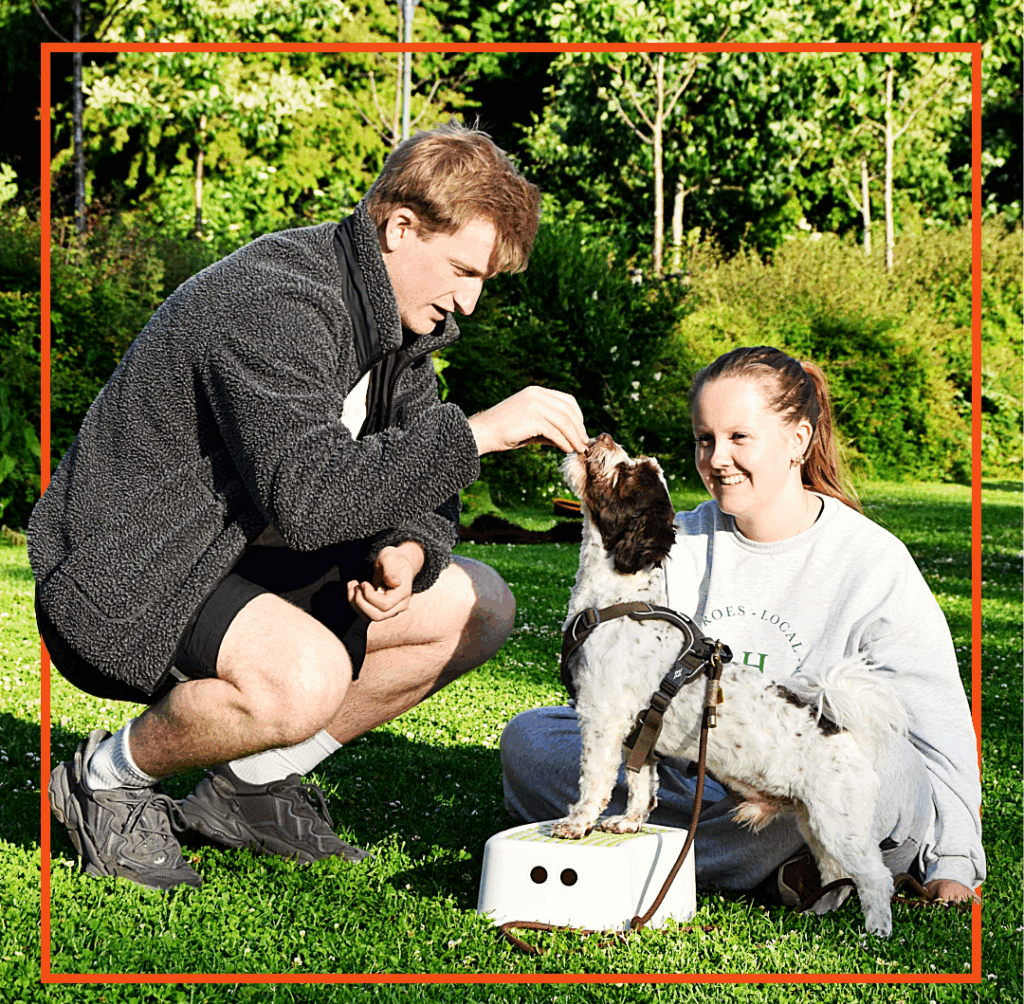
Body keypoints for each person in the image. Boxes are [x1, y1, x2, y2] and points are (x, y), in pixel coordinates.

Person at [31, 122, 589, 890]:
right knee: (305, 677)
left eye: (483, 279)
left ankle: (249, 788)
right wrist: (480, 433)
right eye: (463, 269)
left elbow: (413, 472)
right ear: (400, 228)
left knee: (479, 605)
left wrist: (409, 550)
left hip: (238, 550)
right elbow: (309, 498)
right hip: (131, 567)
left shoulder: (397, 323)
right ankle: (104, 778)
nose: (468, 299)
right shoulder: (280, 299)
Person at [501, 345, 984, 908]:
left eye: (739, 437)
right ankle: (785, 867)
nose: (718, 459)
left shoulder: (873, 561)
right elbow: (621, 695)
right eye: (705, 440)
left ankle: (691, 854)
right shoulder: (678, 542)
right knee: (532, 740)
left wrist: (955, 861)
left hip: (806, 770)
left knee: (891, 769)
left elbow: (937, 723)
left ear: (798, 439)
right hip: (698, 776)